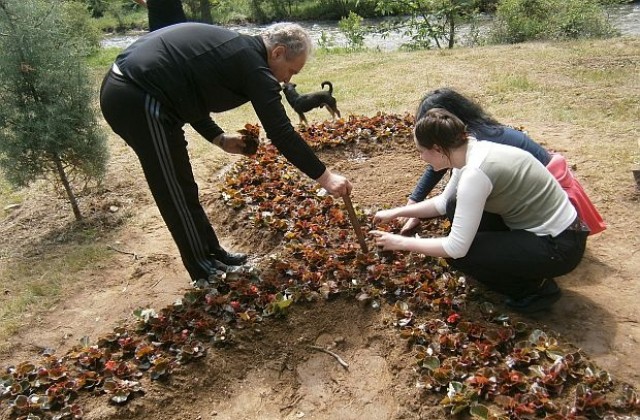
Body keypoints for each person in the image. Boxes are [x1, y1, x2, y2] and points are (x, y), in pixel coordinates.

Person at [99, 22, 352, 284]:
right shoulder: (254, 67)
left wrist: (219, 138)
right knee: (173, 189)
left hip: (149, 90)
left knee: (183, 185)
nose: (287, 81)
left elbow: (187, 90)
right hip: (134, 93)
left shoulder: (238, 54)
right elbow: (282, 133)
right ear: (277, 53)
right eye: (290, 71)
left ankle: (214, 254)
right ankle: (203, 271)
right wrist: (326, 178)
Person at [371, 108, 588, 313]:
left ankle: (536, 290)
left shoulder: (475, 174)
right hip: (559, 231)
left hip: (559, 247)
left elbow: (456, 248)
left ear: (437, 149)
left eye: (422, 152)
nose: (422, 158)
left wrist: (399, 242)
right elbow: (442, 202)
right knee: (454, 205)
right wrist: (396, 212)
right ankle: (513, 260)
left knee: (461, 256)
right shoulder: (470, 151)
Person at [400, 88, 551, 235]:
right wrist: (414, 202)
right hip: (548, 198)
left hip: (544, 214)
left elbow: (456, 244)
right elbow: (438, 164)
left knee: (458, 204)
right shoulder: (472, 135)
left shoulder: (477, 148)